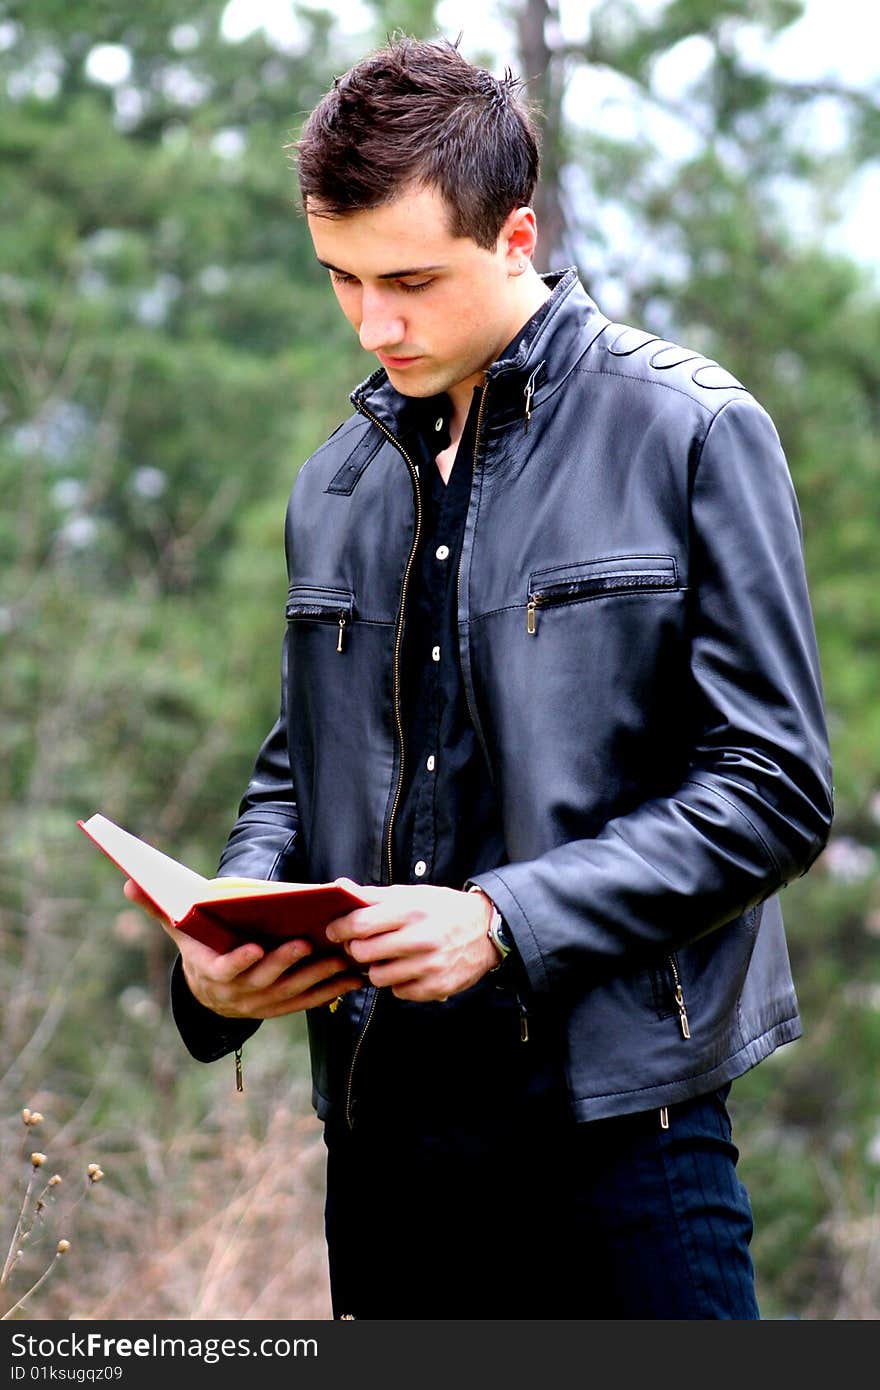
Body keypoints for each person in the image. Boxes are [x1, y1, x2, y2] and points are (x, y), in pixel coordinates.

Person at [125, 35, 833, 1319]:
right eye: (340, 278)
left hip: (623, 1143)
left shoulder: (692, 433)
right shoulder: (333, 483)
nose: (373, 323)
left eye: (408, 279)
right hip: (382, 1153)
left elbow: (773, 786)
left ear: (514, 237)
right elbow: (301, 764)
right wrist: (228, 933)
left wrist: (504, 919)